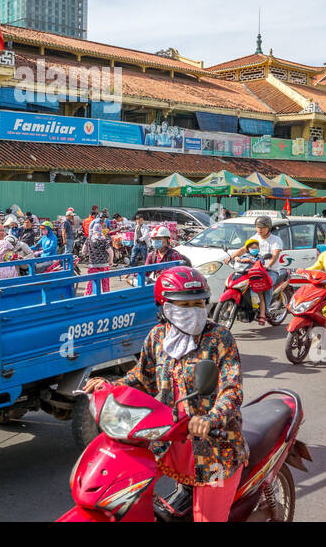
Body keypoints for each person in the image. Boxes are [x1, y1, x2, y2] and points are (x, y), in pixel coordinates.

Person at [82, 266, 248, 522]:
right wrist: (110, 386)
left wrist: (210, 418)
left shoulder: (219, 338)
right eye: (184, 304)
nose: (194, 310)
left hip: (215, 447)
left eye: (198, 303)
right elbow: (142, 377)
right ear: (164, 307)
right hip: (166, 437)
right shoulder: (158, 337)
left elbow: (231, 388)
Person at [222, 216, 284, 325]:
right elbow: (243, 249)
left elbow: (275, 255)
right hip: (254, 269)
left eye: (262, 227)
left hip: (270, 270)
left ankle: (267, 309)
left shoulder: (275, 240)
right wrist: (231, 257)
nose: (259, 229)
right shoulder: (255, 237)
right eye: (257, 227)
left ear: (268, 227)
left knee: (266, 284)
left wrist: (268, 265)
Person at [81, 220, 113, 294]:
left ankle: (87, 296)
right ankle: (106, 296)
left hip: (92, 265)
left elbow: (83, 251)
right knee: (105, 283)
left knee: (91, 282)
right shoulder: (104, 239)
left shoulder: (89, 238)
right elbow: (110, 252)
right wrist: (111, 261)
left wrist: (86, 253)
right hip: (104, 265)